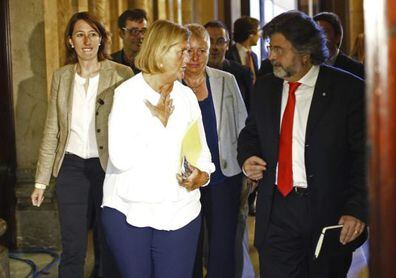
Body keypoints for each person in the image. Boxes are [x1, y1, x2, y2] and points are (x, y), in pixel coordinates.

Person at [237, 10, 368, 278]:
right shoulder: (265, 88)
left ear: (305, 52)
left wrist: (356, 210)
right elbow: (251, 134)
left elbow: (366, 158)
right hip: (277, 211)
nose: (271, 56)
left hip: (327, 212)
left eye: (278, 49)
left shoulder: (348, 91)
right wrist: (248, 157)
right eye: (269, 47)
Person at [101, 20, 215, 278]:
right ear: (161, 52)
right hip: (130, 212)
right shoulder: (127, 94)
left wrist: (203, 175)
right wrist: (156, 123)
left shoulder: (186, 96)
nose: (190, 58)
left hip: (180, 211)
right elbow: (120, 158)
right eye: (182, 51)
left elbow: (200, 152)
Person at [30, 12, 134, 278]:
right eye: (80, 34)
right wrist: (41, 181)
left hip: (108, 168)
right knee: (73, 245)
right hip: (71, 168)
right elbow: (52, 129)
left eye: (93, 34)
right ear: (70, 41)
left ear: (101, 39)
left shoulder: (122, 74)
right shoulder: (62, 77)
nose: (86, 40)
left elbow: (132, 128)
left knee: (108, 242)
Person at [183, 24, 247, 278]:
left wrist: (246, 168)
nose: (196, 57)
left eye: (203, 50)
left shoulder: (225, 80)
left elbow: (242, 124)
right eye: (190, 50)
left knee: (223, 245)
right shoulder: (171, 84)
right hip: (184, 181)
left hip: (224, 176)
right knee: (190, 244)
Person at [204, 20, 253, 111]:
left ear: (227, 45)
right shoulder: (193, 74)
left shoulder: (242, 73)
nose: (215, 47)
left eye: (220, 41)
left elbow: (250, 110)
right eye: (210, 41)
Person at [313, 11, 364, 78]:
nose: (319, 37)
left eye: (324, 32)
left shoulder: (356, 69)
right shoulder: (307, 66)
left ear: (338, 37)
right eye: (315, 32)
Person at [111, 8, 148, 74]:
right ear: (121, 33)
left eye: (143, 31)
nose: (141, 36)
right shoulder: (110, 63)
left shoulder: (153, 63)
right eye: (134, 31)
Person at [226, 16, 261, 83]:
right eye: (259, 31)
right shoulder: (229, 54)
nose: (260, 35)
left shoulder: (254, 56)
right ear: (251, 34)